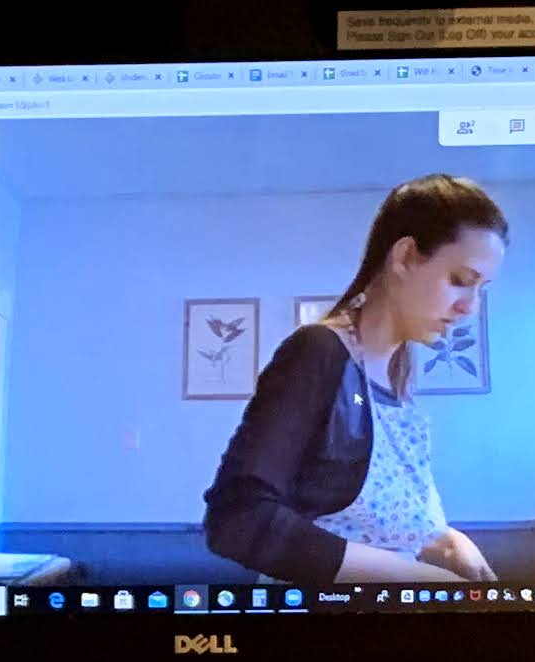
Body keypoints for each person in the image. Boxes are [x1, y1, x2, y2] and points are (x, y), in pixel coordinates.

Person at [201, 176, 505, 591]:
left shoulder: (398, 372)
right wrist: (413, 578)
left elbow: (356, 513)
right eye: (460, 280)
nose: (470, 307)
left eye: (481, 289)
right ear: (405, 256)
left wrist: (445, 541)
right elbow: (239, 519)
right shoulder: (319, 352)